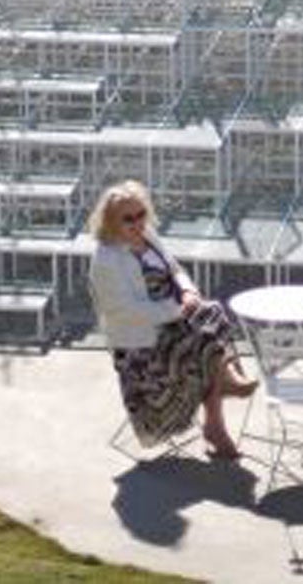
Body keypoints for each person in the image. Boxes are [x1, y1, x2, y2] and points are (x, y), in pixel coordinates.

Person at [87, 181, 256, 459]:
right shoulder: (106, 259)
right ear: (111, 221)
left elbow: (176, 269)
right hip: (141, 344)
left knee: (212, 315)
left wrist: (188, 291)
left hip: (174, 322)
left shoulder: (147, 235)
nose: (137, 222)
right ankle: (220, 407)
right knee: (207, 344)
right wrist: (178, 309)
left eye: (141, 214)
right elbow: (125, 311)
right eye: (128, 218)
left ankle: (218, 411)